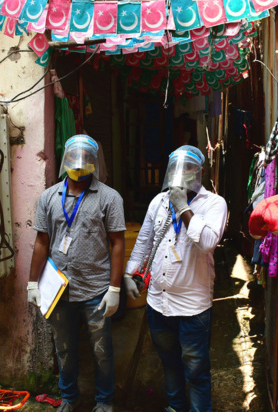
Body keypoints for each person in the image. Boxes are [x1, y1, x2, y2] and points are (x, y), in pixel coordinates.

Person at [123, 145, 228, 412]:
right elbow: (145, 241)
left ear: (199, 173)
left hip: (193, 308)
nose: (181, 174)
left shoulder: (215, 204)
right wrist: (129, 272)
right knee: (169, 363)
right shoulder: (158, 202)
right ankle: (175, 407)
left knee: (195, 370)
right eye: (176, 169)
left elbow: (206, 242)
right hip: (158, 303)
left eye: (189, 169)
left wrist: (183, 207)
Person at [27, 135, 126, 412]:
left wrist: (115, 288)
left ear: (95, 162)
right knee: (65, 349)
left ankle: (104, 401)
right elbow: (41, 242)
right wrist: (32, 283)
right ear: (65, 160)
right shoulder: (48, 197)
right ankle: (69, 398)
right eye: (74, 157)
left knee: (101, 350)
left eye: (85, 158)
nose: (79, 164)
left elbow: (117, 243)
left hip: (95, 290)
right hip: (59, 291)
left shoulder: (109, 197)